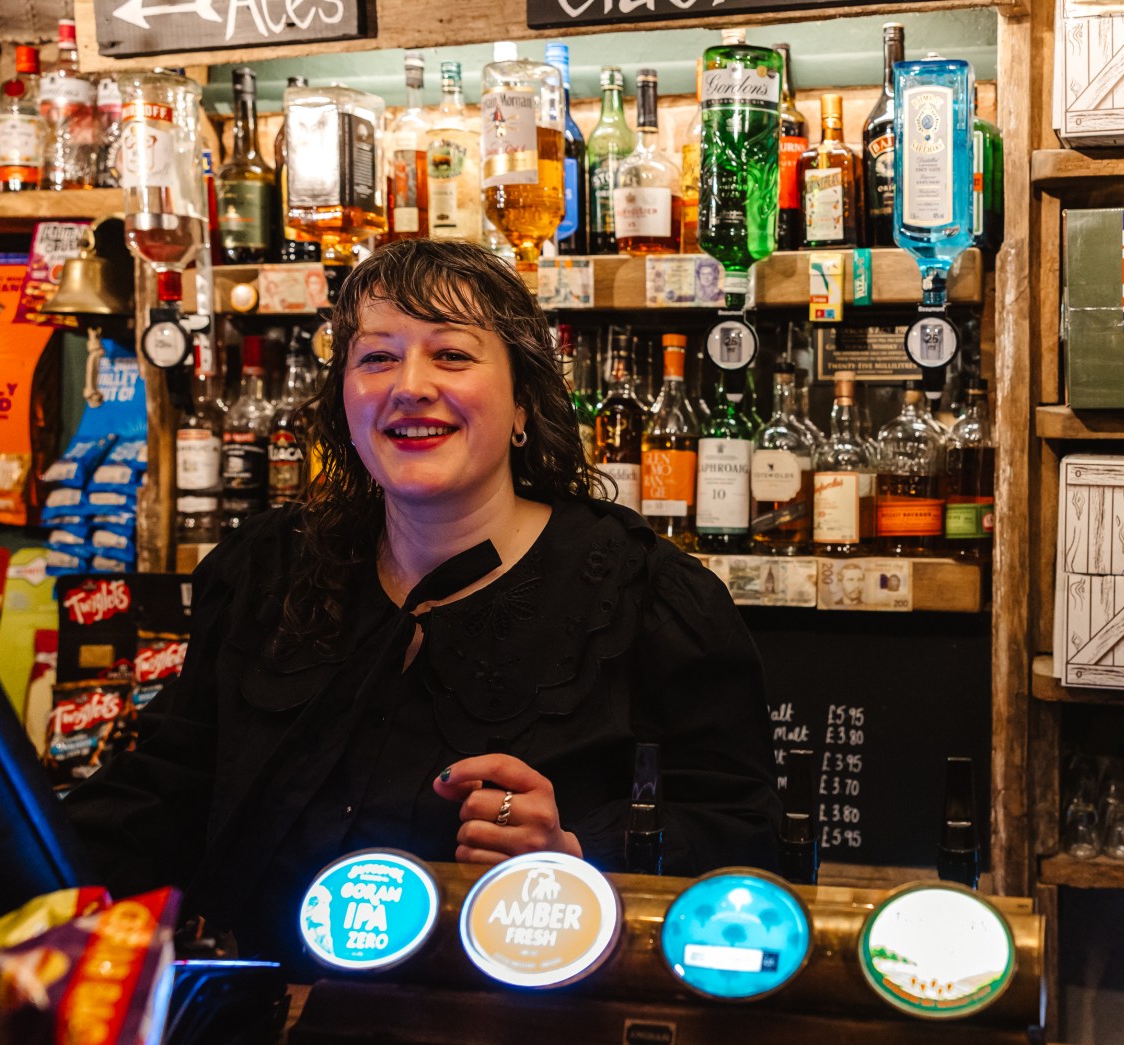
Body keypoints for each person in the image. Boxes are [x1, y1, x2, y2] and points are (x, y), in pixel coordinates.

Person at [62, 239, 782, 967]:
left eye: (452, 355)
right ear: (343, 400)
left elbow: (742, 839)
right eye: (376, 358)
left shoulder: (647, 596)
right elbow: (170, 786)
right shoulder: (266, 571)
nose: (410, 384)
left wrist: (573, 858)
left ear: (523, 399)